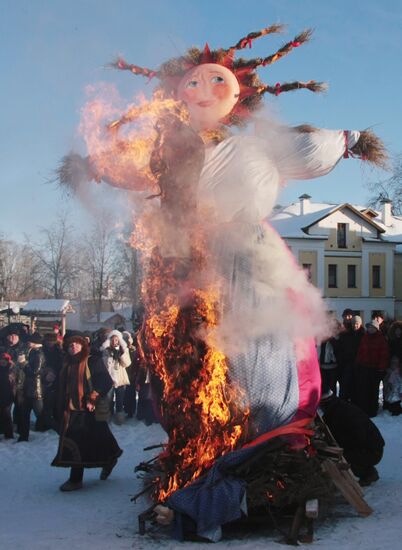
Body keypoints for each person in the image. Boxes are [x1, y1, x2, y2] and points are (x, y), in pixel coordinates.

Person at [60, 25, 387, 537]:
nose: (203, 91)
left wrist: (347, 141)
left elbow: (306, 145)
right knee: (191, 352)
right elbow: (127, 170)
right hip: (186, 262)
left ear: (239, 93)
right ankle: (205, 438)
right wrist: (89, 167)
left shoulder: (258, 147)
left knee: (256, 344)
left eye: (216, 82)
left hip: (247, 260)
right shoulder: (168, 153)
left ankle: (263, 431)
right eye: (192, 84)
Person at [52, 335, 122, 491]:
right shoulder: (66, 364)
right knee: (94, 438)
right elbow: (60, 384)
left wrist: (93, 397)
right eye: (70, 345)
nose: (73, 347)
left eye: (77, 344)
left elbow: (105, 381)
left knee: (83, 441)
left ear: (83, 346)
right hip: (69, 409)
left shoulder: (92, 361)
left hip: (89, 409)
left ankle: (76, 479)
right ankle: (111, 458)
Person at [320, 390, 384, 486]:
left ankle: (366, 472)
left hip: (371, 450)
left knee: (339, 455)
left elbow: (357, 437)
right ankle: (365, 469)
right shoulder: (337, 408)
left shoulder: (341, 413)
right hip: (369, 447)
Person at [354, 320, 389, 417]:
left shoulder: (381, 339)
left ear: (376, 328)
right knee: (364, 389)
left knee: (374, 390)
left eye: (372, 327)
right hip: (364, 367)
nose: (370, 329)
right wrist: (358, 363)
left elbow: (384, 355)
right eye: (369, 327)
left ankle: (373, 410)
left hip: (375, 368)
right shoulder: (365, 337)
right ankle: (365, 409)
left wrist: (382, 368)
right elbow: (360, 351)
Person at [17, 333, 45, 442]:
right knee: (24, 414)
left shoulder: (38, 354)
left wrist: (24, 363)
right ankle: (23, 436)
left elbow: (35, 372)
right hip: (28, 388)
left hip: (35, 390)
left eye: (30, 341)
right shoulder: (32, 352)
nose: (28, 342)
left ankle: (52, 431)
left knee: (41, 414)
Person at [101, 330, 131, 424]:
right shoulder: (106, 350)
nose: (115, 342)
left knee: (120, 400)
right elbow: (104, 364)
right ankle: (108, 416)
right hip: (109, 379)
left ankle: (119, 418)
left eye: (117, 340)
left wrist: (121, 355)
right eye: (113, 340)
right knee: (108, 399)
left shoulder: (123, 350)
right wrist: (110, 357)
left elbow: (127, 363)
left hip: (120, 379)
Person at [0, 352, 16, 439]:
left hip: (8, 396)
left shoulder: (11, 370)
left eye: (4, 360)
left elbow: (13, 385)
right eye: (1, 360)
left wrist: (13, 396)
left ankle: (9, 435)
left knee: (7, 415)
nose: (2, 362)